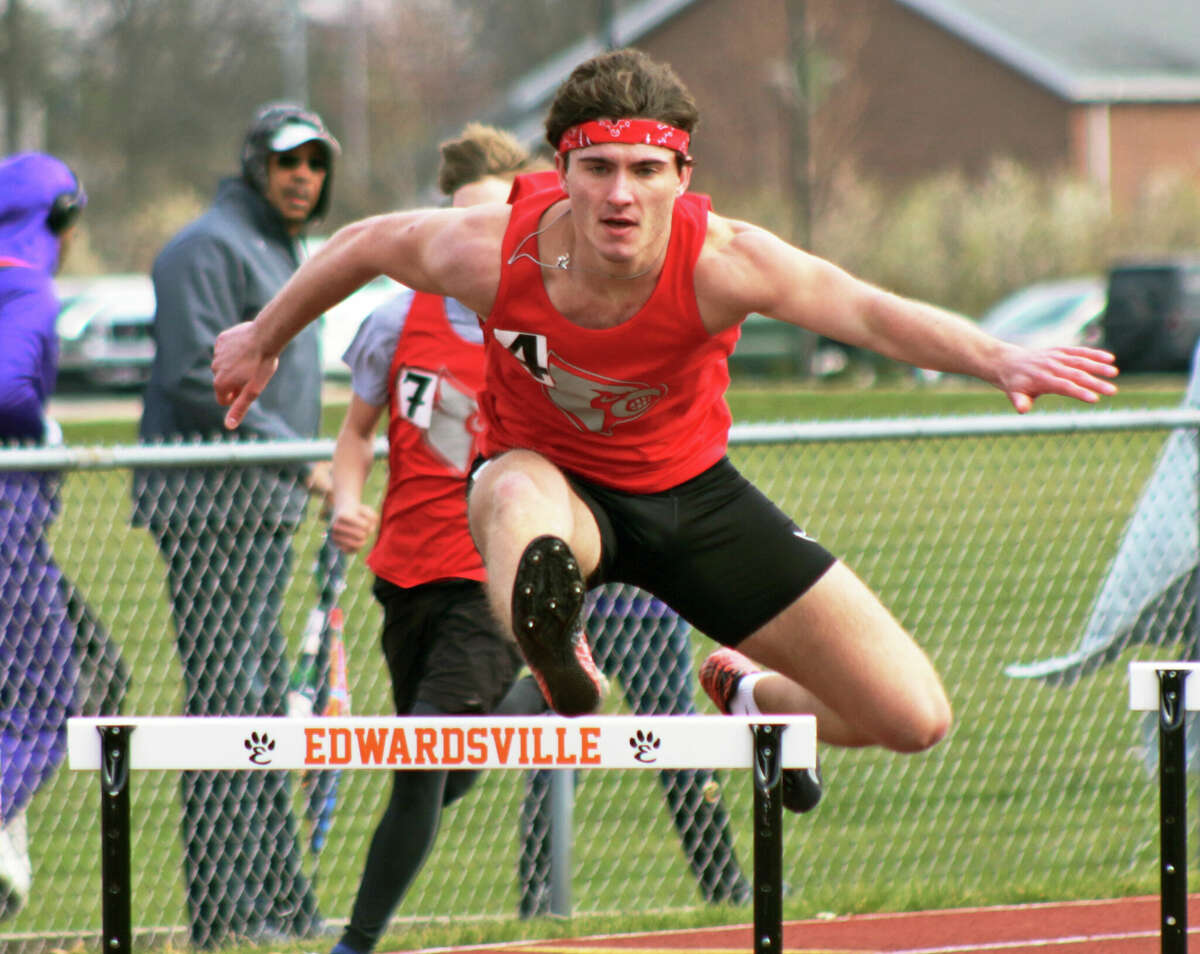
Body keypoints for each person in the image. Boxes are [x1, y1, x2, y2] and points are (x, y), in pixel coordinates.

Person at [211, 49, 1119, 816]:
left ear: (681, 178)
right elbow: (365, 241)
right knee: (510, 488)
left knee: (913, 717)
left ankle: (747, 692)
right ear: (561, 172)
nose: (620, 196)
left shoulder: (724, 260)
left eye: (646, 172)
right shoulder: (495, 251)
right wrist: (263, 336)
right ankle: (555, 648)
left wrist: (998, 358)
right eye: (597, 168)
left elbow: (868, 314)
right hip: (560, 492)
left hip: (692, 498)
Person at [131, 102, 339, 948]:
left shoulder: (276, 247)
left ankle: (278, 901)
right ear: (255, 162)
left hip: (260, 512)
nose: (304, 177)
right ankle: (226, 914)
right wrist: (303, 459)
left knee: (255, 701)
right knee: (226, 705)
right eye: (289, 160)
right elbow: (193, 376)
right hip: (211, 513)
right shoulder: (206, 247)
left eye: (318, 163)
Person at [0, 151, 87, 921]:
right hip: (6, 520)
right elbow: (7, 387)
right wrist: (43, 429)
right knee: (49, 700)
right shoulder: (24, 280)